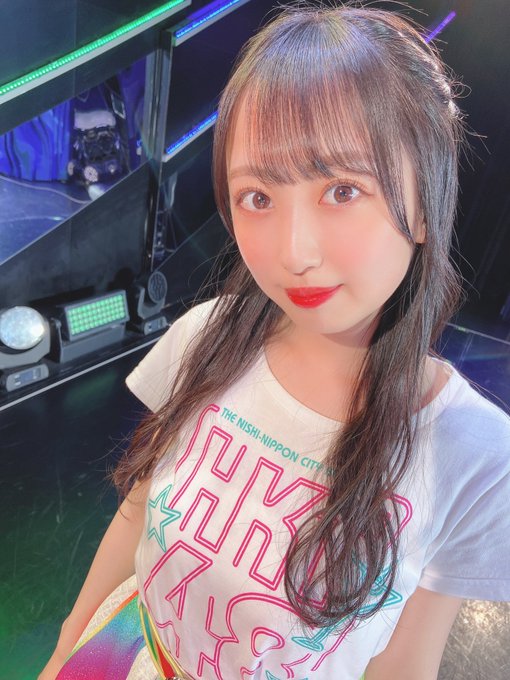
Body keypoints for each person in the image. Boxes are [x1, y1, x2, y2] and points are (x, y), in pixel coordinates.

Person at [40, 3, 510, 679]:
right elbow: (137, 513)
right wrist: (66, 648)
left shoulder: (474, 452)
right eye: (258, 197)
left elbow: (406, 661)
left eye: (342, 189)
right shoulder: (204, 337)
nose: (293, 253)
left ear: (426, 202)